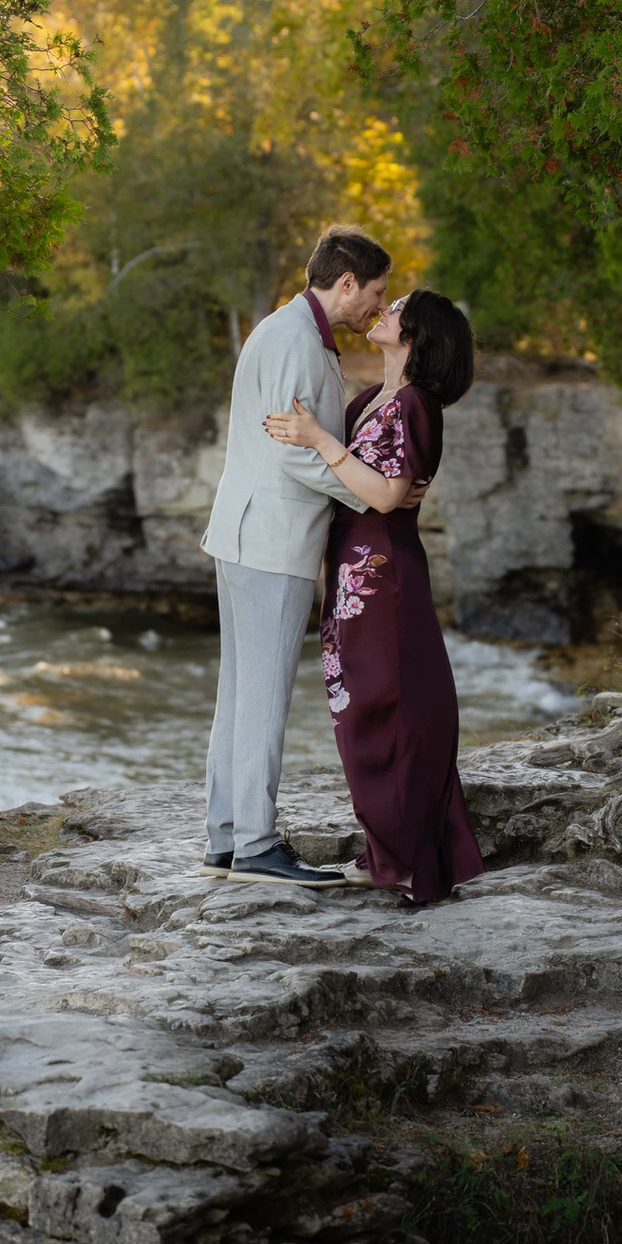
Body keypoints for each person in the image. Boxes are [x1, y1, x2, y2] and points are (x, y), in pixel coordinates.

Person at [264, 288, 485, 903]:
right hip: (350, 573)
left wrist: (320, 441)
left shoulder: (418, 403)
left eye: (397, 308)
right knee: (357, 715)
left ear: (416, 334)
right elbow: (363, 484)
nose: (384, 312)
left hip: (385, 581)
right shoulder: (370, 400)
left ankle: (409, 859)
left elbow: (387, 496)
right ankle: (387, 852)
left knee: (391, 713)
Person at [201, 225, 403, 888]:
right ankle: (256, 844)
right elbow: (293, 453)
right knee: (260, 696)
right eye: (373, 294)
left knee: (240, 692)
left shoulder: (290, 330)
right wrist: (364, 492)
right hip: (271, 538)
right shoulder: (294, 340)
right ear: (345, 283)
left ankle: (227, 836)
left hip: (251, 535)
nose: (377, 307)